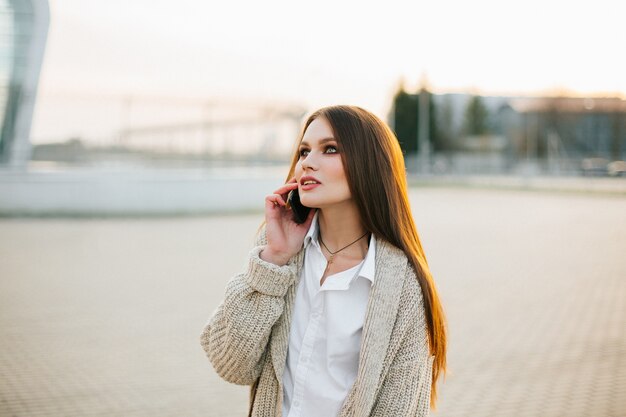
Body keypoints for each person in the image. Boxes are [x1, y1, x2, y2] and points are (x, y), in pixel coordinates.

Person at [200, 105, 447, 417]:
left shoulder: (403, 287)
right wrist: (274, 260)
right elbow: (230, 363)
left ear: (369, 164)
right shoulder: (278, 252)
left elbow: (399, 408)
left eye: (329, 149)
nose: (308, 163)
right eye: (304, 152)